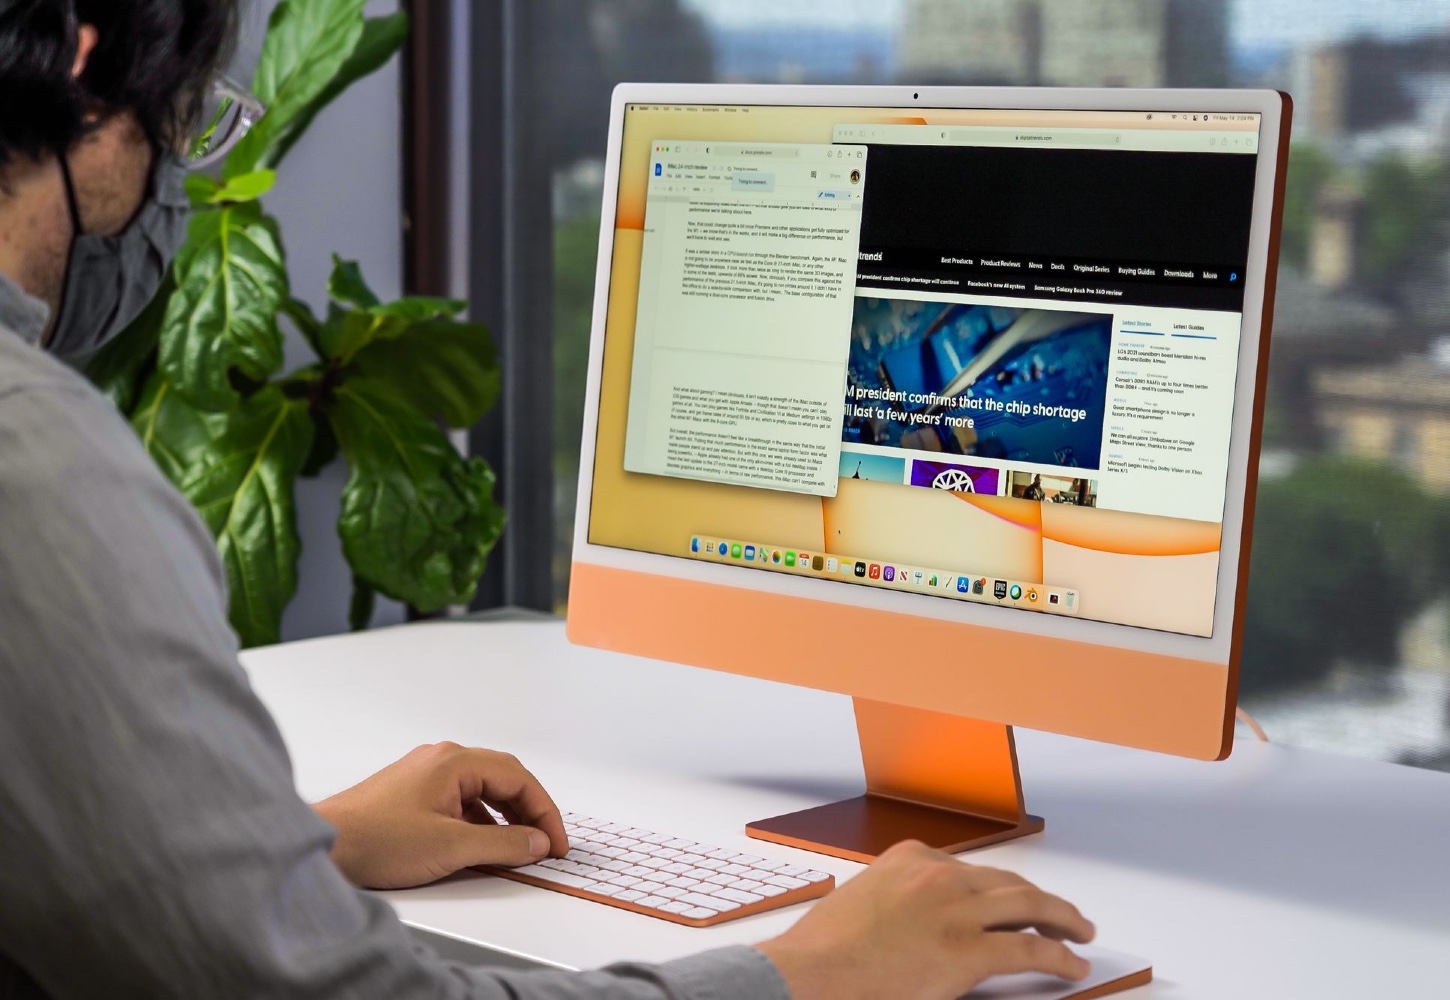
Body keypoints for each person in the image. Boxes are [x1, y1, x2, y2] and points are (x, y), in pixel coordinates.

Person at [0, 2, 1096, 997]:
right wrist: (809, 974)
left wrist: (301, 849)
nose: (177, 177)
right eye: (188, 121)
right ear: (91, 67)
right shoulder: (37, 461)